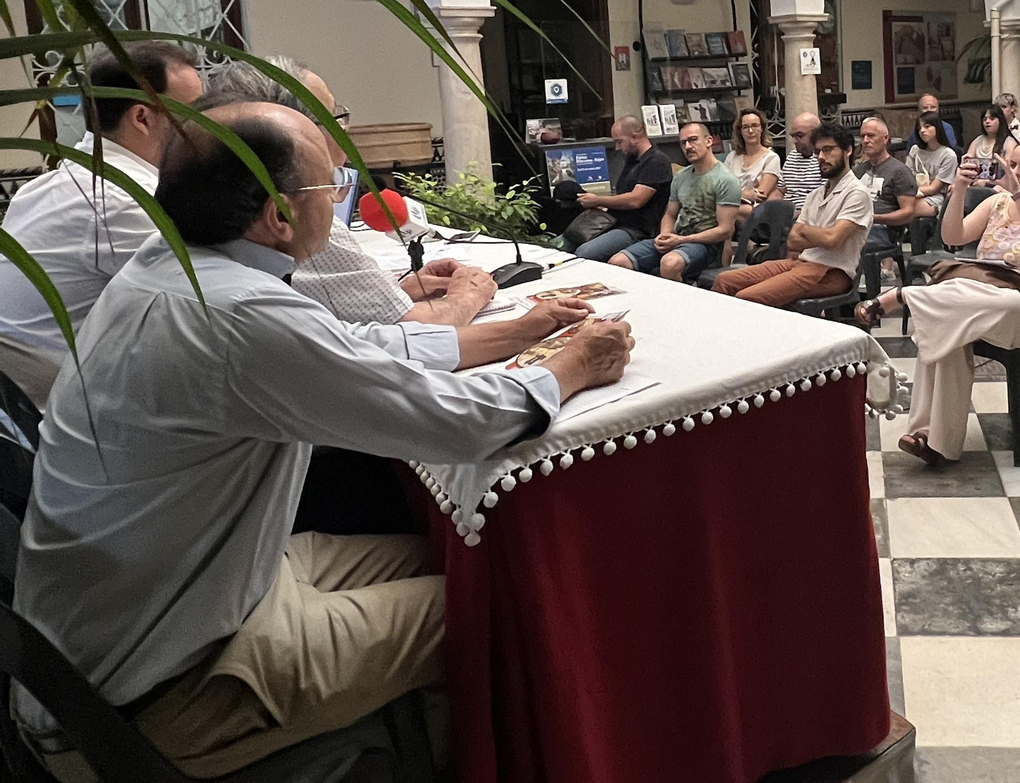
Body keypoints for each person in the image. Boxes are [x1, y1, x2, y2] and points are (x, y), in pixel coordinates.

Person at [12, 102, 632, 778]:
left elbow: (346, 348)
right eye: (332, 186)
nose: (341, 196)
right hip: (173, 679)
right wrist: (569, 366)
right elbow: (459, 424)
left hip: (167, 604)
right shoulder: (236, 312)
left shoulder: (175, 269)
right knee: (510, 604)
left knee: (471, 557)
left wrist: (513, 332)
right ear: (278, 215)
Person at [206, 56, 499, 329]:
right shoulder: (299, 215)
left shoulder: (218, 202)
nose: (344, 129)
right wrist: (468, 295)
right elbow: (411, 331)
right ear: (294, 130)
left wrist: (396, 289)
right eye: (334, 116)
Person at [0, 41, 204, 403]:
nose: (210, 127)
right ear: (142, 117)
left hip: (26, 406)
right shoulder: (124, 202)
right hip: (58, 416)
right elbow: (213, 301)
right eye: (197, 113)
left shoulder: (51, 184)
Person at [856, 140, 1020, 464]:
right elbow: (954, 237)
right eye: (1012, 165)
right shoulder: (997, 203)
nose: (1016, 172)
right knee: (945, 324)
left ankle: (905, 295)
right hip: (979, 298)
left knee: (1004, 303)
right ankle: (932, 440)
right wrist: (959, 187)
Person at [713, 124, 872, 307]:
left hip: (832, 272)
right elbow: (793, 241)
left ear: (848, 150)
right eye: (818, 151)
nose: (821, 157)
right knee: (724, 281)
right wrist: (817, 234)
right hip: (800, 262)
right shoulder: (816, 194)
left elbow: (831, 240)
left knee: (746, 298)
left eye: (828, 150)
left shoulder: (857, 193)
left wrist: (805, 229)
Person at [611, 122, 740, 282]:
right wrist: (665, 234)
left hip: (705, 245)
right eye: (683, 142)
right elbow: (670, 214)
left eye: (693, 140)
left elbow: (725, 230)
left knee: (670, 263)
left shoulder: (725, 180)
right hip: (676, 239)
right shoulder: (681, 177)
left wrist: (682, 240)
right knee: (618, 262)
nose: (688, 146)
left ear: (708, 141)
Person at [561, 115, 674, 261]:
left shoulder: (657, 161)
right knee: (565, 242)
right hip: (613, 220)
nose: (617, 148)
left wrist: (598, 200)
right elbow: (622, 194)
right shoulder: (632, 160)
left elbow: (636, 200)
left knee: (585, 253)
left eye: (619, 142)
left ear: (634, 137)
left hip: (636, 229)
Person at [855, 116, 920, 254]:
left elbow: (908, 213)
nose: (865, 141)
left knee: (840, 239)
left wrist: (873, 218)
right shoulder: (859, 170)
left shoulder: (899, 171)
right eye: (863, 136)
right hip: (857, 225)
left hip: (884, 231)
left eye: (871, 136)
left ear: (885, 139)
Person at [723, 107, 782, 223]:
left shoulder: (771, 158)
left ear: (762, 128)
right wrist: (745, 194)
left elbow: (761, 194)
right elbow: (721, 188)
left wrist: (733, 194)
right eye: (745, 127)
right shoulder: (732, 157)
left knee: (724, 211)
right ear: (740, 131)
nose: (750, 131)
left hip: (755, 209)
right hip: (732, 205)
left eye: (755, 126)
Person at [907, 113, 959, 211]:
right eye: (919, 128)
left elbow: (933, 188)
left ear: (937, 128)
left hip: (937, 197)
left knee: (908, 209)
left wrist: (907, 192)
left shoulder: (948, 155)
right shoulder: (915, 150)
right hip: (913, 193)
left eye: (927, 126)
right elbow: (907, 176)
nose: (922, 131)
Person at [772, 111, 822, 204]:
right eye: (793, 136)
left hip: (810, 213)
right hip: (786, 211)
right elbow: (780, 190)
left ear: (816, 134)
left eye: (800, 136)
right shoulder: (792, 157)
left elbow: (825, 198)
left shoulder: (824, 160)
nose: (795, 141)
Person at [964, 104, 1017, 185]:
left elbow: (1010, 171)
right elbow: (967, 164)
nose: (987, 122)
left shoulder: (1009, 143)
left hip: (999, 186)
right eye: (984, 119)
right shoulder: (977, 140)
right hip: (974, 184)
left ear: (1000, 120)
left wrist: (987, 182)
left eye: (992, 119)